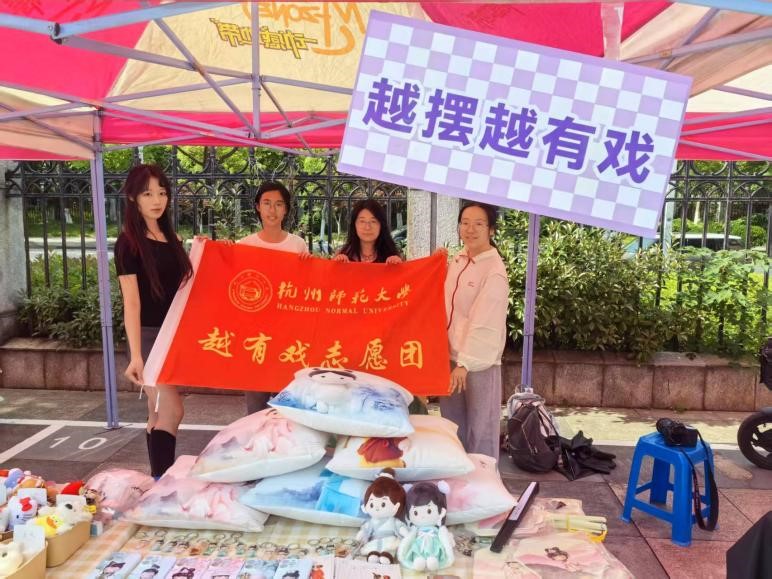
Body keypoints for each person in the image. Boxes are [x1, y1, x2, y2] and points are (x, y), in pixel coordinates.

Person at [115, 164, 193, 479]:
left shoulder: (172, 238)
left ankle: (157, 482)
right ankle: (164, 485)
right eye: (148, 194)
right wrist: (136, 355)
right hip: (148, 340)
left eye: (162, 192)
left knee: (156, 412)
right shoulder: (128, 243)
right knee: (172, 409)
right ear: (133, 198)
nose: (157, 200)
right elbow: (131, 302)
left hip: (171, 335)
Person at [440, 201, 509, 460]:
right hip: (451, 358)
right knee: (453, 424)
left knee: (481, 429)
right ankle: (457, 476)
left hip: (477, 363)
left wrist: (465, 363)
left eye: (479, 224)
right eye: (465, 223)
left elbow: (485, 323)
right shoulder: (459, 260)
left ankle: (484, 478)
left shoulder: (493, 271)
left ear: (491, 230)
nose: (470, 229)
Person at [238, 180, 309, 414]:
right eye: (267, 203)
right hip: (255, 337)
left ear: (286, 209)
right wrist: (224, 252)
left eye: (279, 204)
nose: (272, 210)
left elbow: (307, 289)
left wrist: (309, 267)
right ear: (257, 207)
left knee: (286, 407)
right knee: (255, 408)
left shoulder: (298, 245)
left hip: (287, 336)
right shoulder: (245, 245)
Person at [332, 199, 402, 264]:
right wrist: (337, 266)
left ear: (381, 225)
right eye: (362, 221)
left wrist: (398, 267)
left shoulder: (391, 257)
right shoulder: (344, 255)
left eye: (373, 221)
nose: (367, 227)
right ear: (354, 225)